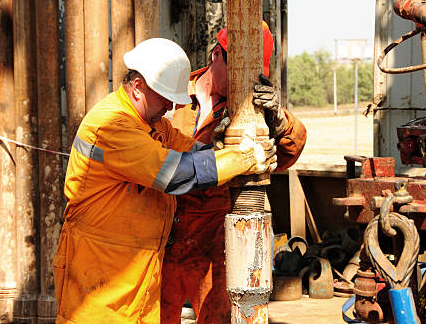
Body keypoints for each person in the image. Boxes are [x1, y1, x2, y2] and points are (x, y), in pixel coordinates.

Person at [53, 38, 277, 323]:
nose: (171, 105)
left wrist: (225, 150)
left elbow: (190, 150)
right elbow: (174, 174)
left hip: (135, 275)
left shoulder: (151, 125)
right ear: (138, 87)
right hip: (98, 277)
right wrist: (243, 159)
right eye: (165, 96)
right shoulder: (112, 125)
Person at [161, 22, 307, 323]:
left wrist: (279, 120)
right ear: (217, 55)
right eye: (239, 70)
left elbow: (288, 153)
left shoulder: (246, 111)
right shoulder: (172, 97)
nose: (246, 82)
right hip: (164, 233)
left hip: (214, 238)